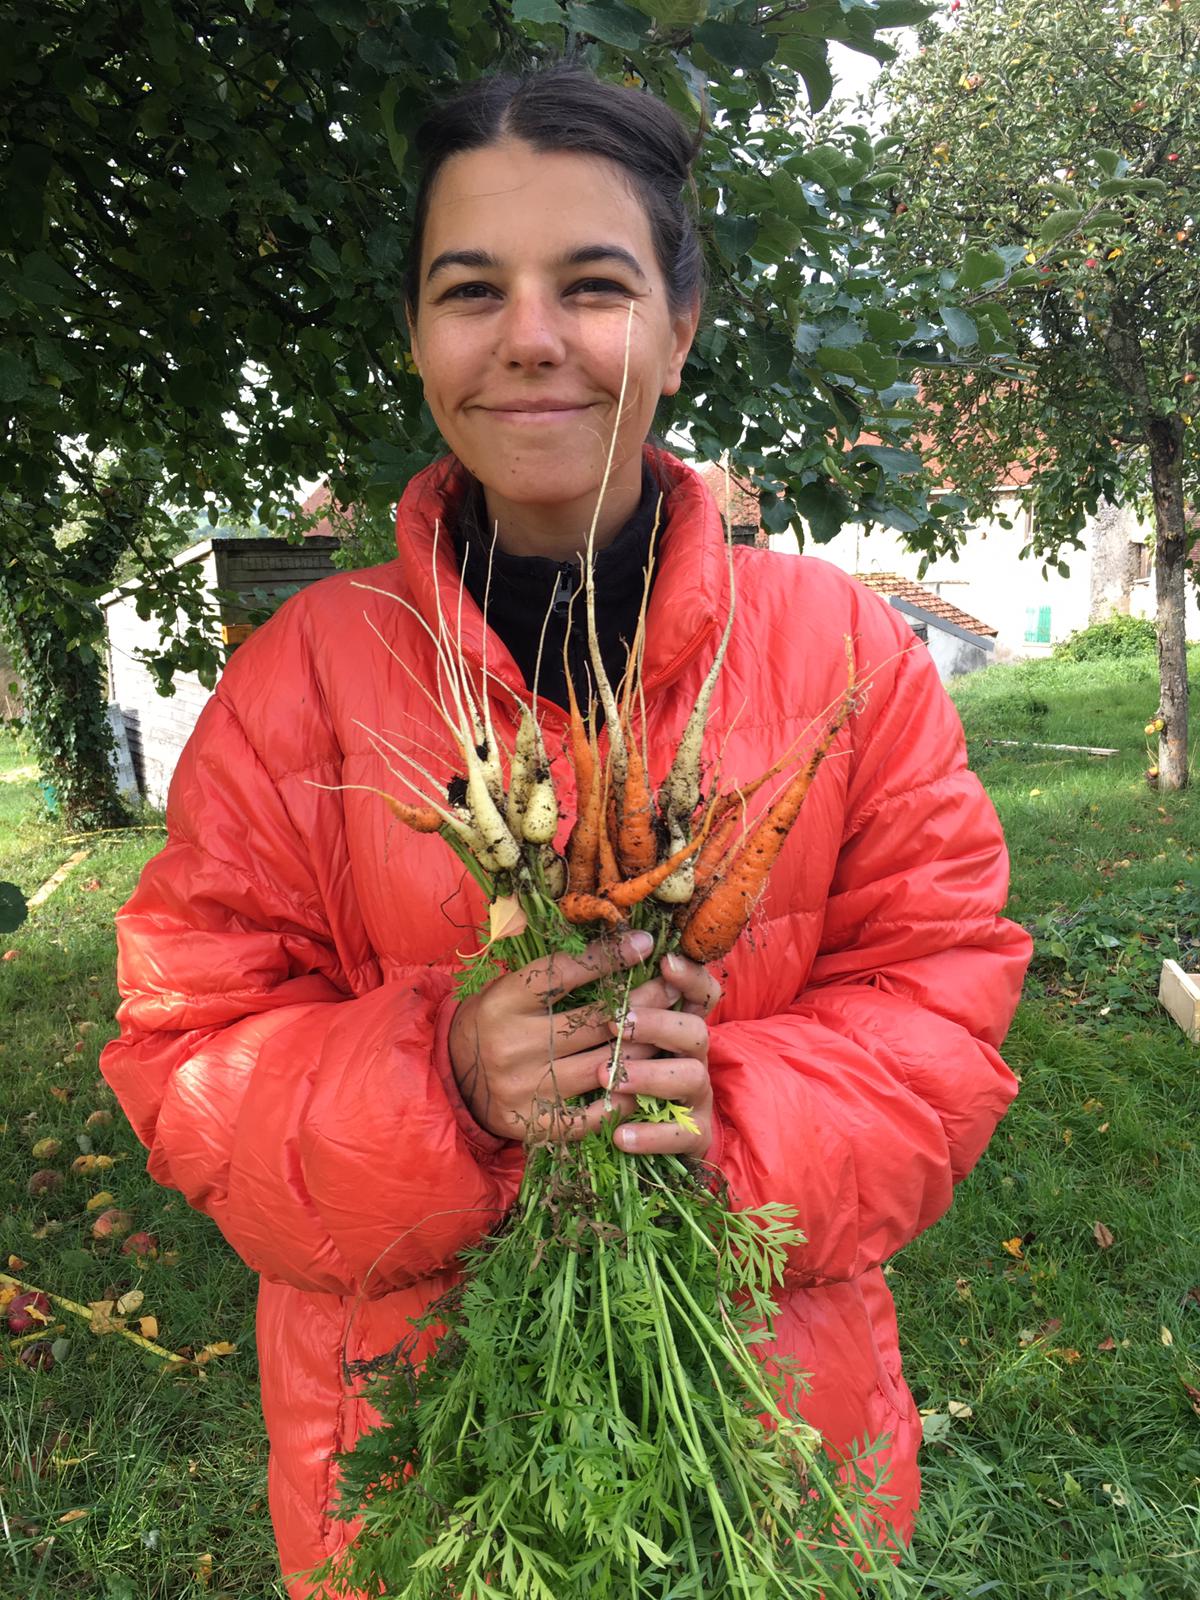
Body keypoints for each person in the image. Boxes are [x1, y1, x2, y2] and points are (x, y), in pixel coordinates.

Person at [100, 61, 1032, 1598]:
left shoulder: (843, 653)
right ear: (416, 336)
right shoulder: (303, 678)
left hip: (769, 1440)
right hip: (413, 1483)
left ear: (678, 324)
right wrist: (447, 1078)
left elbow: (948, 1011)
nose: (530, 338)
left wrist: (737, 1101)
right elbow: (186, 1054)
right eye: (471, 290)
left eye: (592, 285)